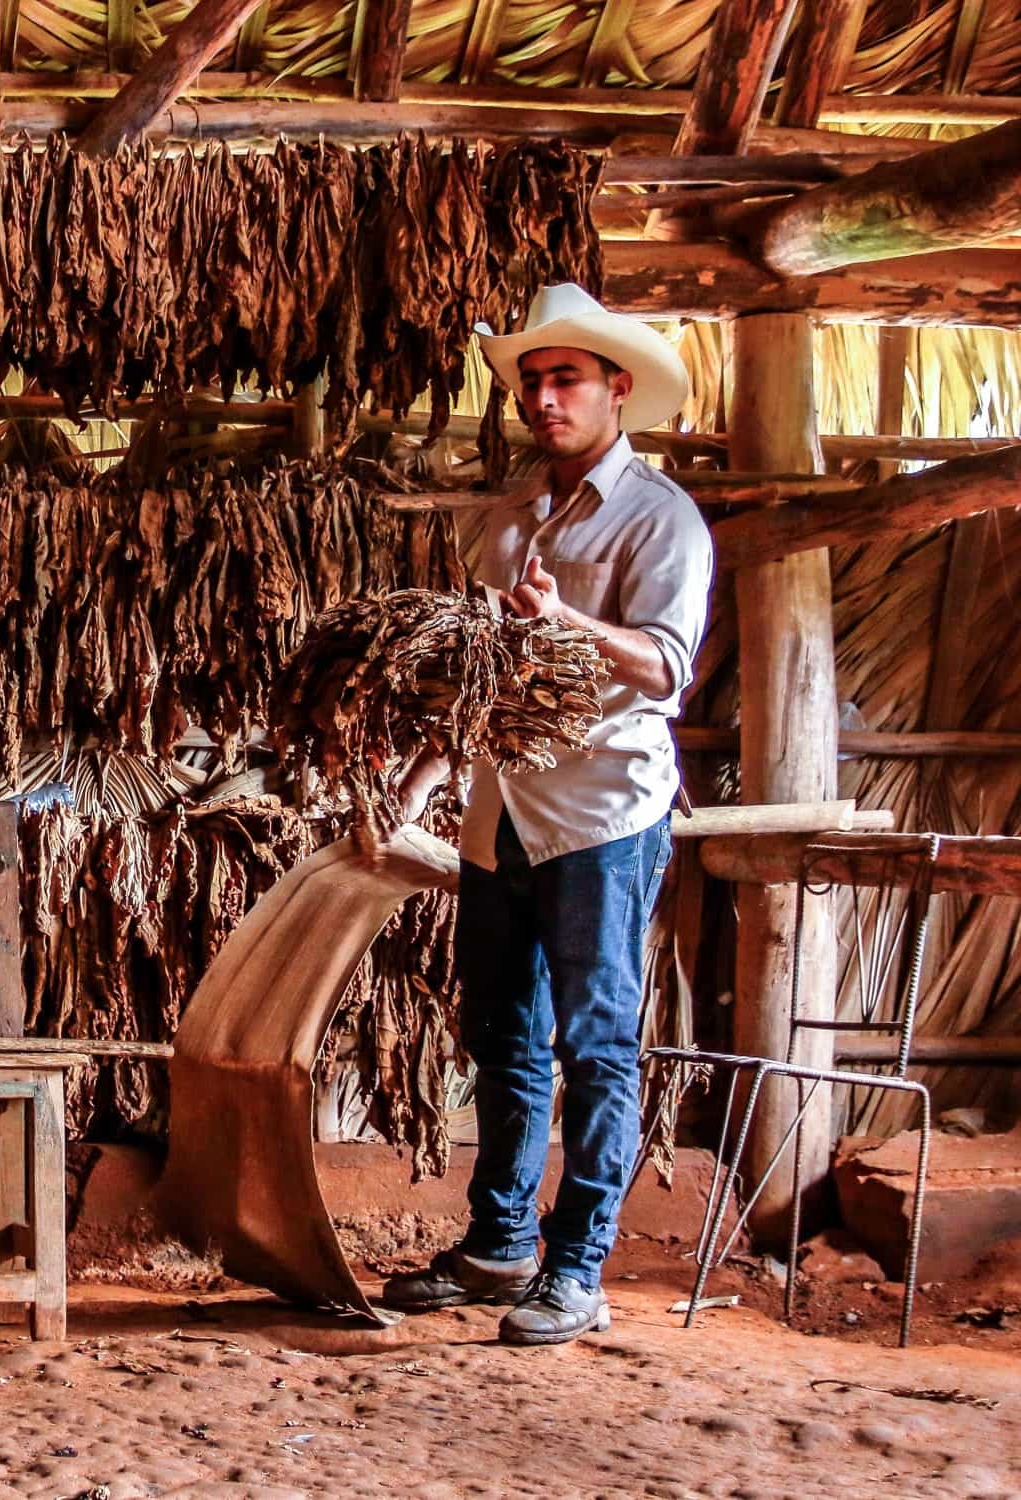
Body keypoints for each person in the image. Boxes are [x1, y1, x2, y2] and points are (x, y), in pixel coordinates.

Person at [381, 284, 714, 1346]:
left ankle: (576, 1267)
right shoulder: (513, 514)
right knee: (502, 1039)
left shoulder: (659, 518)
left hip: (602, 812)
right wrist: (416, 784)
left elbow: (664, 666)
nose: (542, 396)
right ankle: (496, 1245)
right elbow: (481, 676)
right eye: (531, 380)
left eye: (564, 378)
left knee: (597, 1047)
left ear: (616, 389)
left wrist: (560, 615)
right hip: (501, 811)